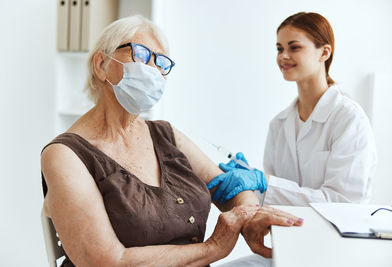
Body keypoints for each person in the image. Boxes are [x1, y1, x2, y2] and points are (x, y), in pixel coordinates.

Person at [41, 15, 302, 266]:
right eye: (141, 54)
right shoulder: (65, 155)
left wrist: (250, 214)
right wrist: (213, 248)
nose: (153, 69)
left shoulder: (165, 135)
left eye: (161, 62)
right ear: (101, 64)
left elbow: (228, 188)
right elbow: (106, 261)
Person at [209, 12, 377, 206]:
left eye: (294, 47)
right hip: (286, 233)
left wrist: (266, 183)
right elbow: (273, 198)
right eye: (279, 49)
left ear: (324, 52)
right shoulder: (279, 124)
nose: (283, 56)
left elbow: (344, 203)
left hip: (336, 236)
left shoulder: (349, 119)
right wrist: (252, 184)